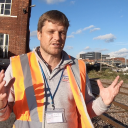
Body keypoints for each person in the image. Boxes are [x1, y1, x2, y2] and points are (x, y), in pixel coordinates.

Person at [0, 10, 123, 128]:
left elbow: (86, 110)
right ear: (39, 34)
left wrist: (103, 102)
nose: (57, 37)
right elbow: (4, 116)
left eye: (62, 32)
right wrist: (1, 105)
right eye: (51, 31)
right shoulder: (19, 65)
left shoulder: (78, 66)